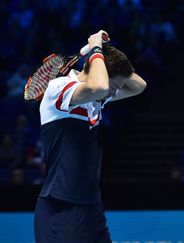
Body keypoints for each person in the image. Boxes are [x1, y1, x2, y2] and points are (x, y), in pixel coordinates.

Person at [34, 30, 147, 243]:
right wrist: (95, 48)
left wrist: (101, 53)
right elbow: (101, 85)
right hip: (61, 208)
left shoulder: (96, 99)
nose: (114, 94)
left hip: (91, 208)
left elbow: (139, 86)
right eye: (115, 87)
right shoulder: (58, 89)